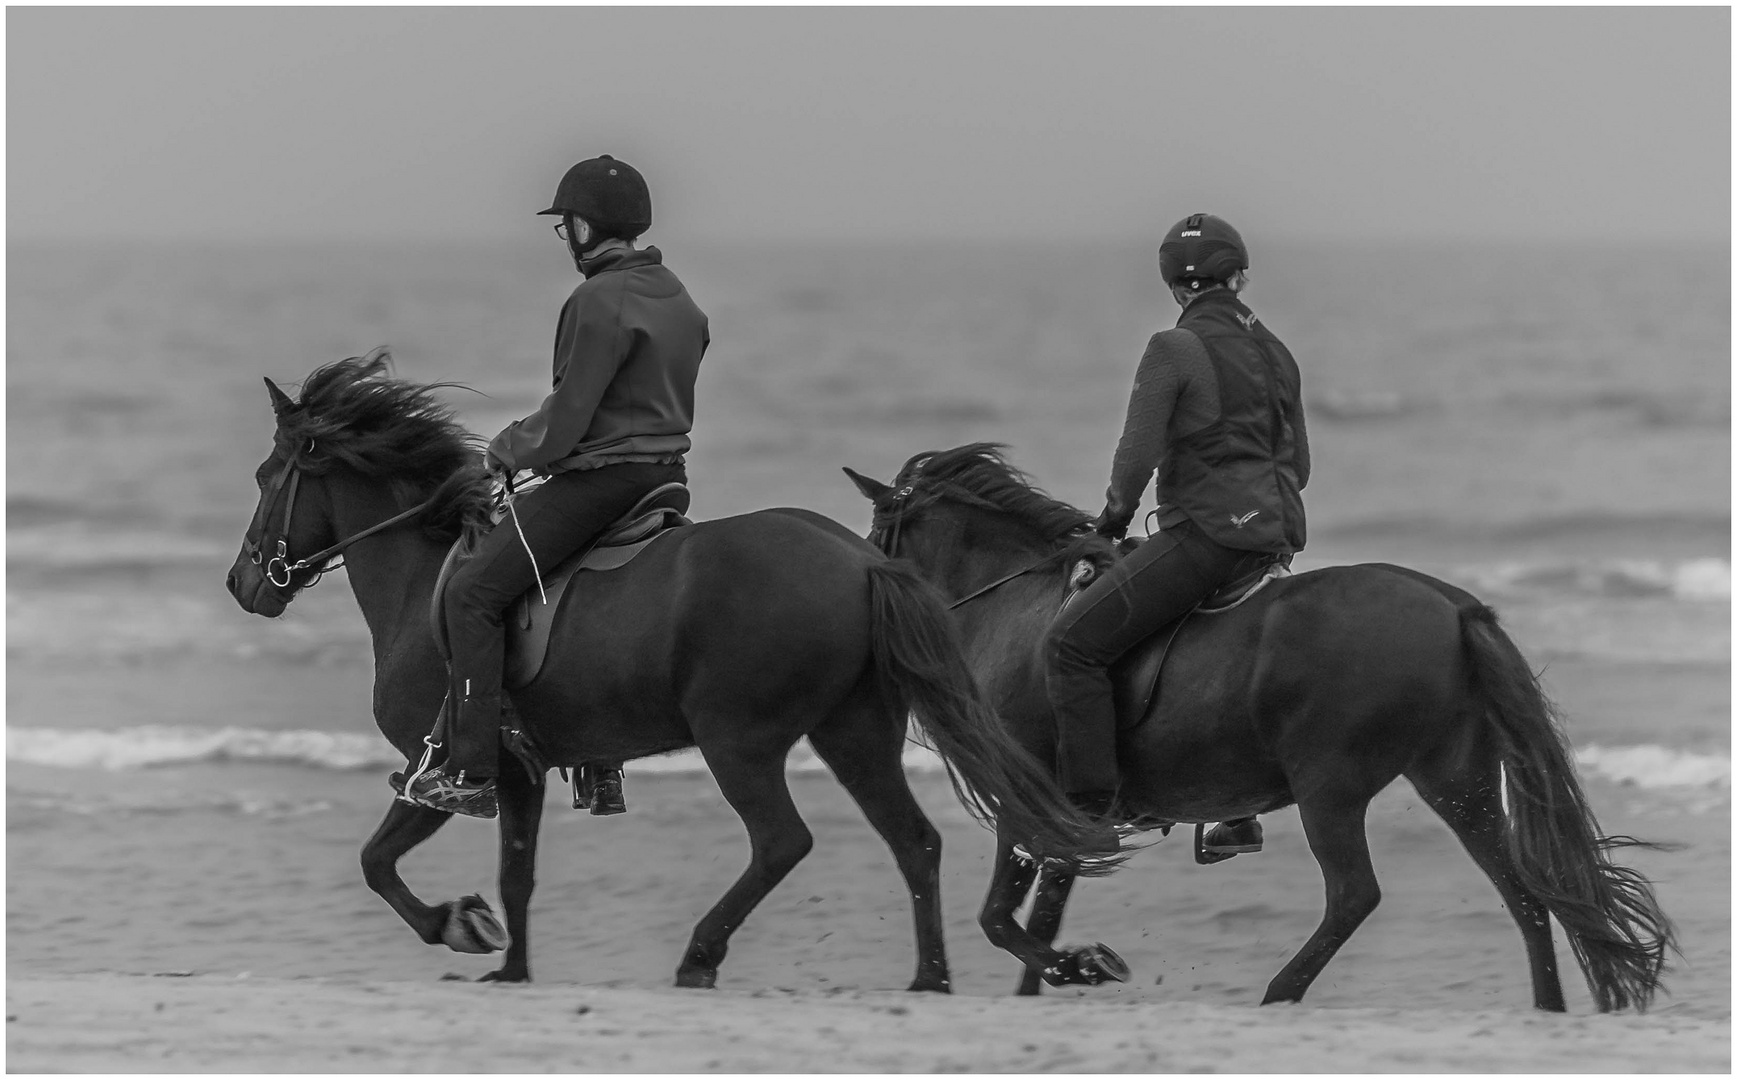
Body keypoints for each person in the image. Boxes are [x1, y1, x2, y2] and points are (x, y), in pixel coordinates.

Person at [404, 154, 710, 819]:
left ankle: (470, 772)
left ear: (587, 226)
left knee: (472, 594)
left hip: (602, 484)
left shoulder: (597, 300)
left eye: (565, 224)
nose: (564, 237)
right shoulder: (678, 296)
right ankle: (600, 768)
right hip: (666, 483)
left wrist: (505, 449)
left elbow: (568, 420)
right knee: (582, 595)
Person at [1044, 213, 1309, 855]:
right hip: (1274, 537)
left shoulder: (1173, 349)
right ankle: (1235, 813)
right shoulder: (1277, 353)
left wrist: (1108, 525)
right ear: (1240, 276)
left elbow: (1136, 457)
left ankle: (1089, 811)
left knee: (1072, 647)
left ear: (1172, 285)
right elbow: (1298, 463)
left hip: (1210, 538)